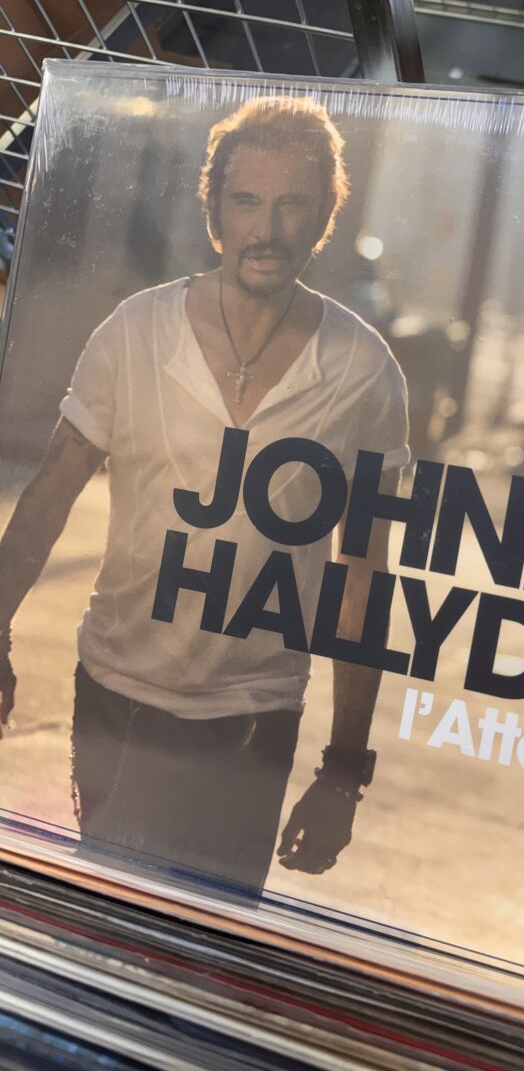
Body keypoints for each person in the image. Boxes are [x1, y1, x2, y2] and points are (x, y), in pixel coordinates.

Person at [0, 95, 409, 895]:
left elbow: (362, 575)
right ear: (214, 210)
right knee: (104, 915)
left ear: (325, 216)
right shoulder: (135, 331)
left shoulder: (363, 370)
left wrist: (344, 770)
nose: (268, 229)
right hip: (115, 692)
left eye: (292, 204)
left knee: (203, 935)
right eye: (247, 201)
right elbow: (48, 498)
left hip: (254, 716)